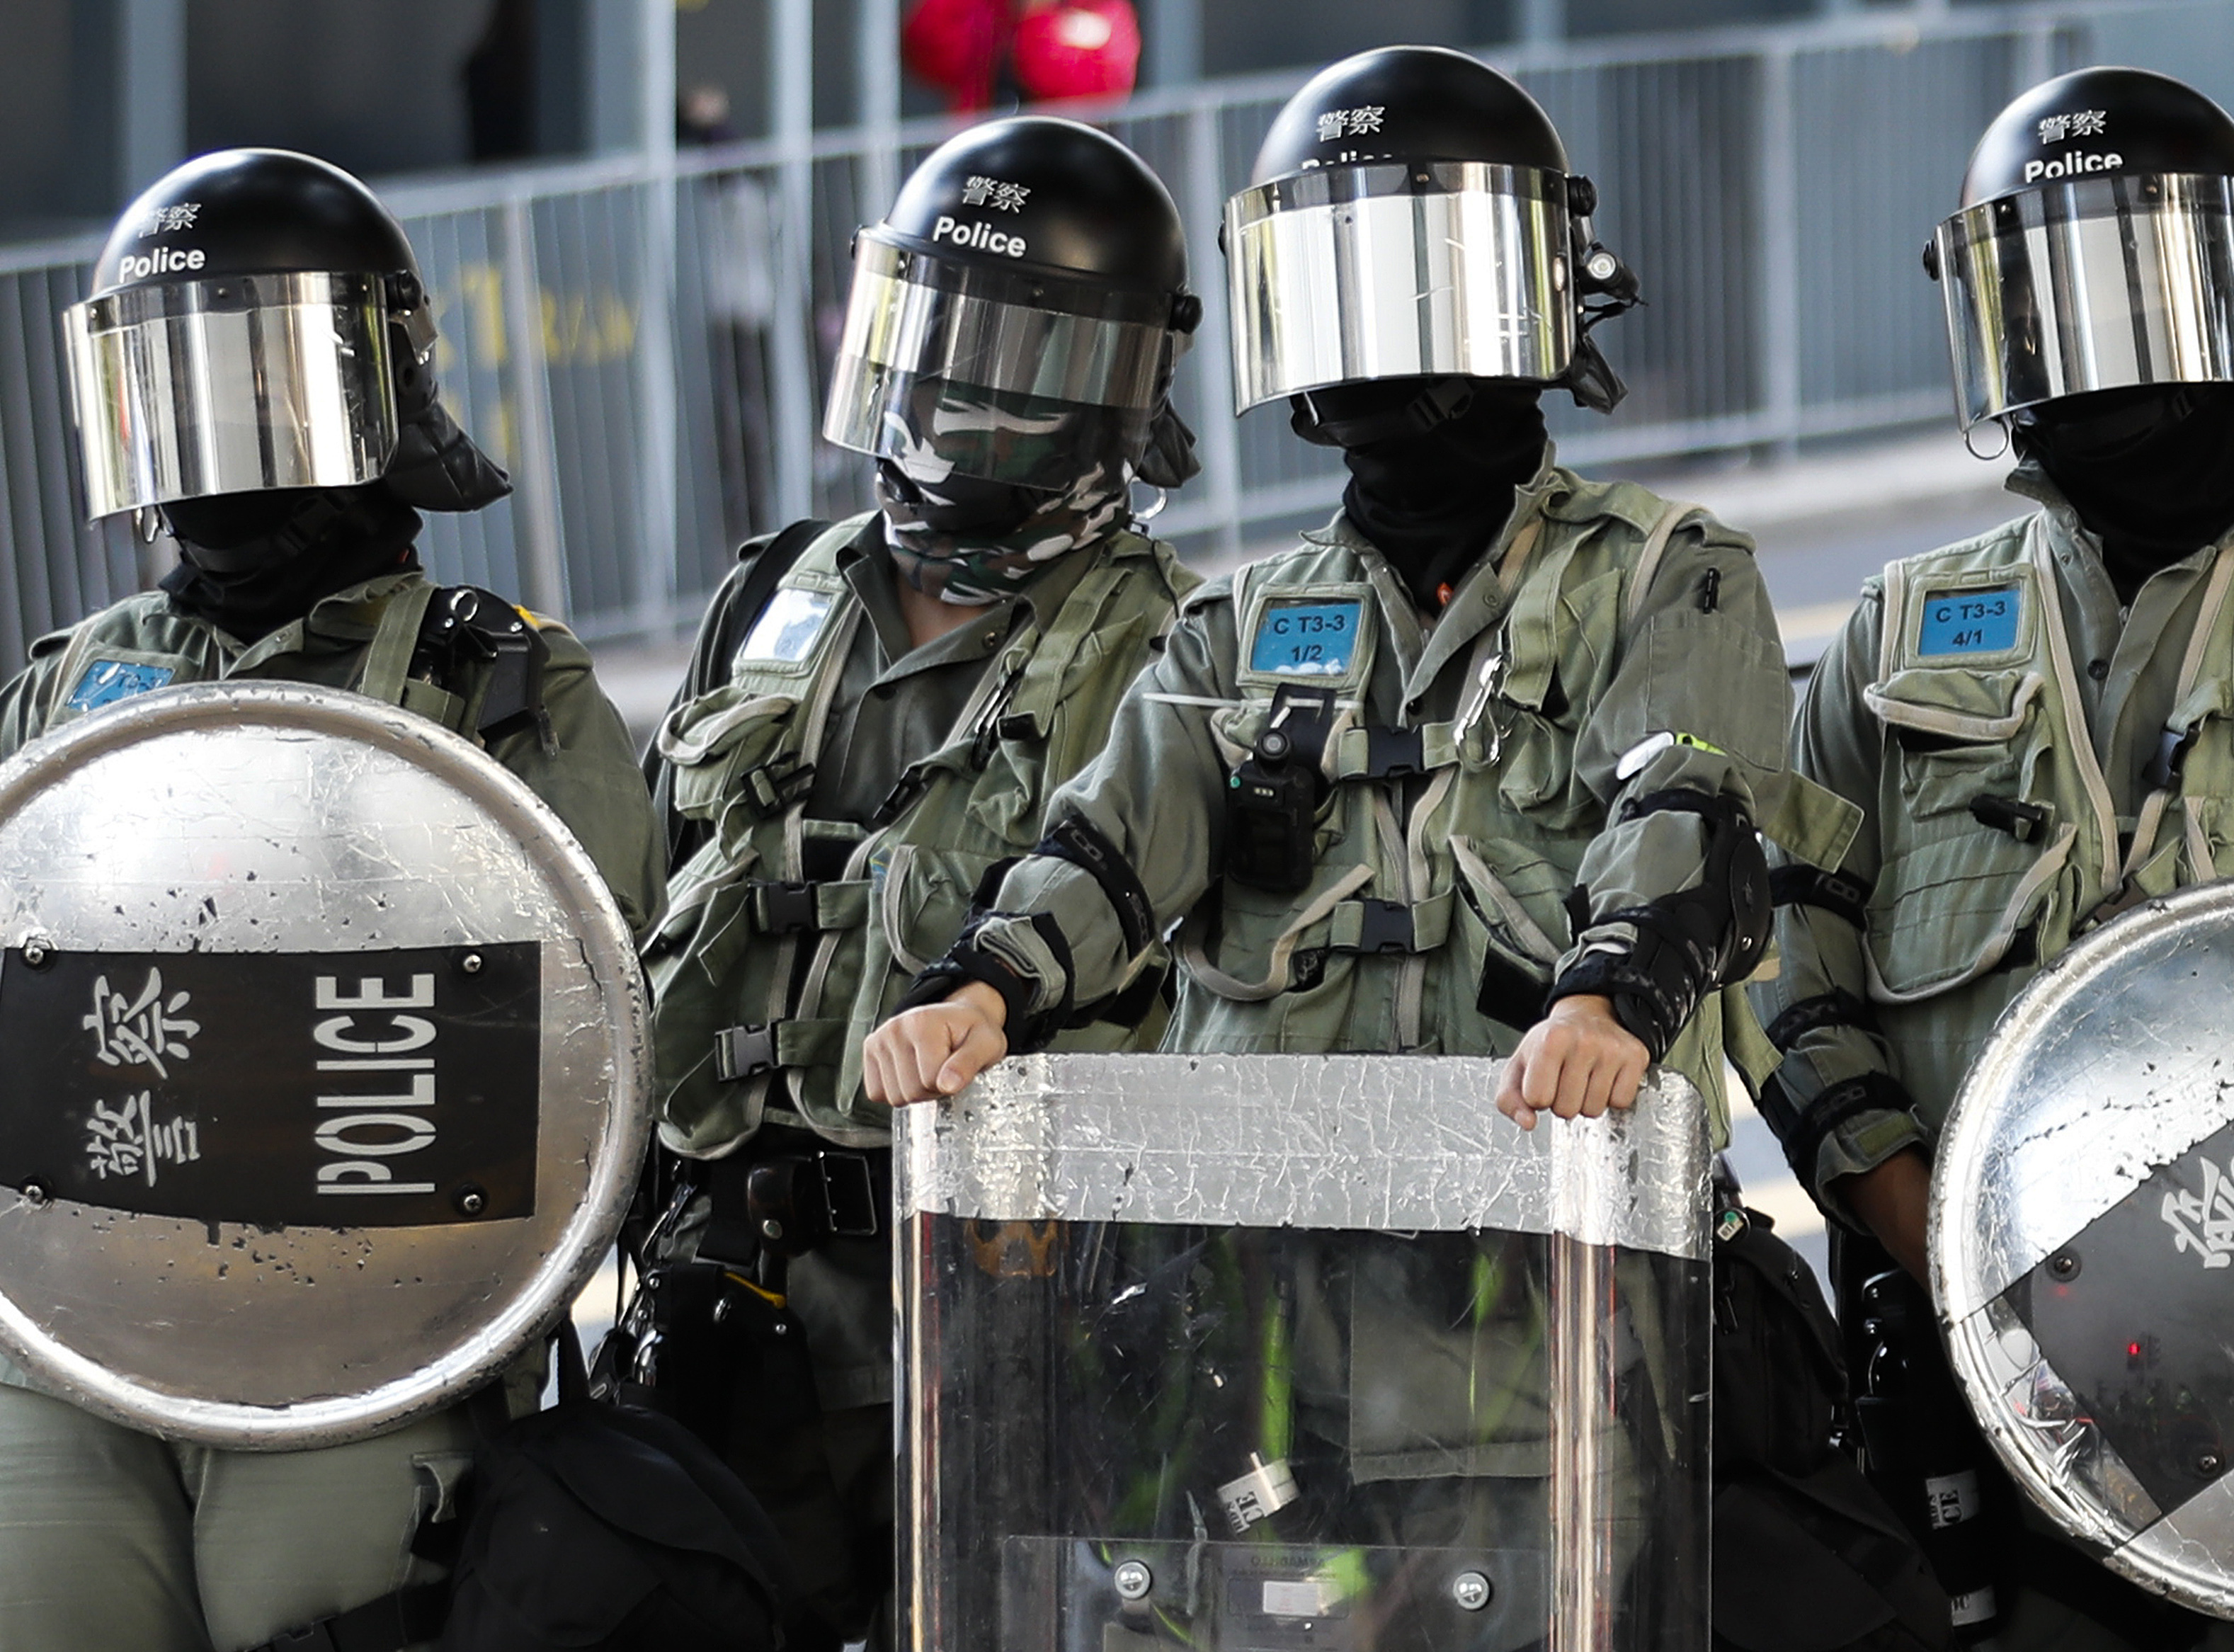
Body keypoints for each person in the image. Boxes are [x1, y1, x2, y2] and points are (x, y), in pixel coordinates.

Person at [863, 47, 1862, 1645]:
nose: (1387, 344)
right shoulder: (1242, 622)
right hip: (1263, 1310)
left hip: (1545, 1296)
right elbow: (1115, 843)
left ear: (1535, 299)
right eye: (1339, 283)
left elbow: (1680, 800)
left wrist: (1608, 998)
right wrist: (984, 984)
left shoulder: (1661, 574)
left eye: (1427, 283)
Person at [1757, 66, 2234, 1650]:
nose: (2103, 358)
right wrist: (1935, 1249)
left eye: (2140, 291)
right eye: (2052, 299)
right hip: (1961, 1360)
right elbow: (1784, 972)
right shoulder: (1889, 629)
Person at [0, 147, 662, 1652]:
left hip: (377, 1314)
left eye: (260, 378)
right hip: (73, 1316)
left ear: (379, 389)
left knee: (309, 1614)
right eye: (175, 384)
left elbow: (601, 1005)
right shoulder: (73, 674)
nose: (214, 435)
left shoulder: (499, 676)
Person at [631, 114, 1203, 1649]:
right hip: (725, 1291)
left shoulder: (1173, 651)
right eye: (936, 334)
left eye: (1019, 357)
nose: (963, 394)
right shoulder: (775, 592)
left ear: (1115, 391)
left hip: (1004, 1307)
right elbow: (644, 903)